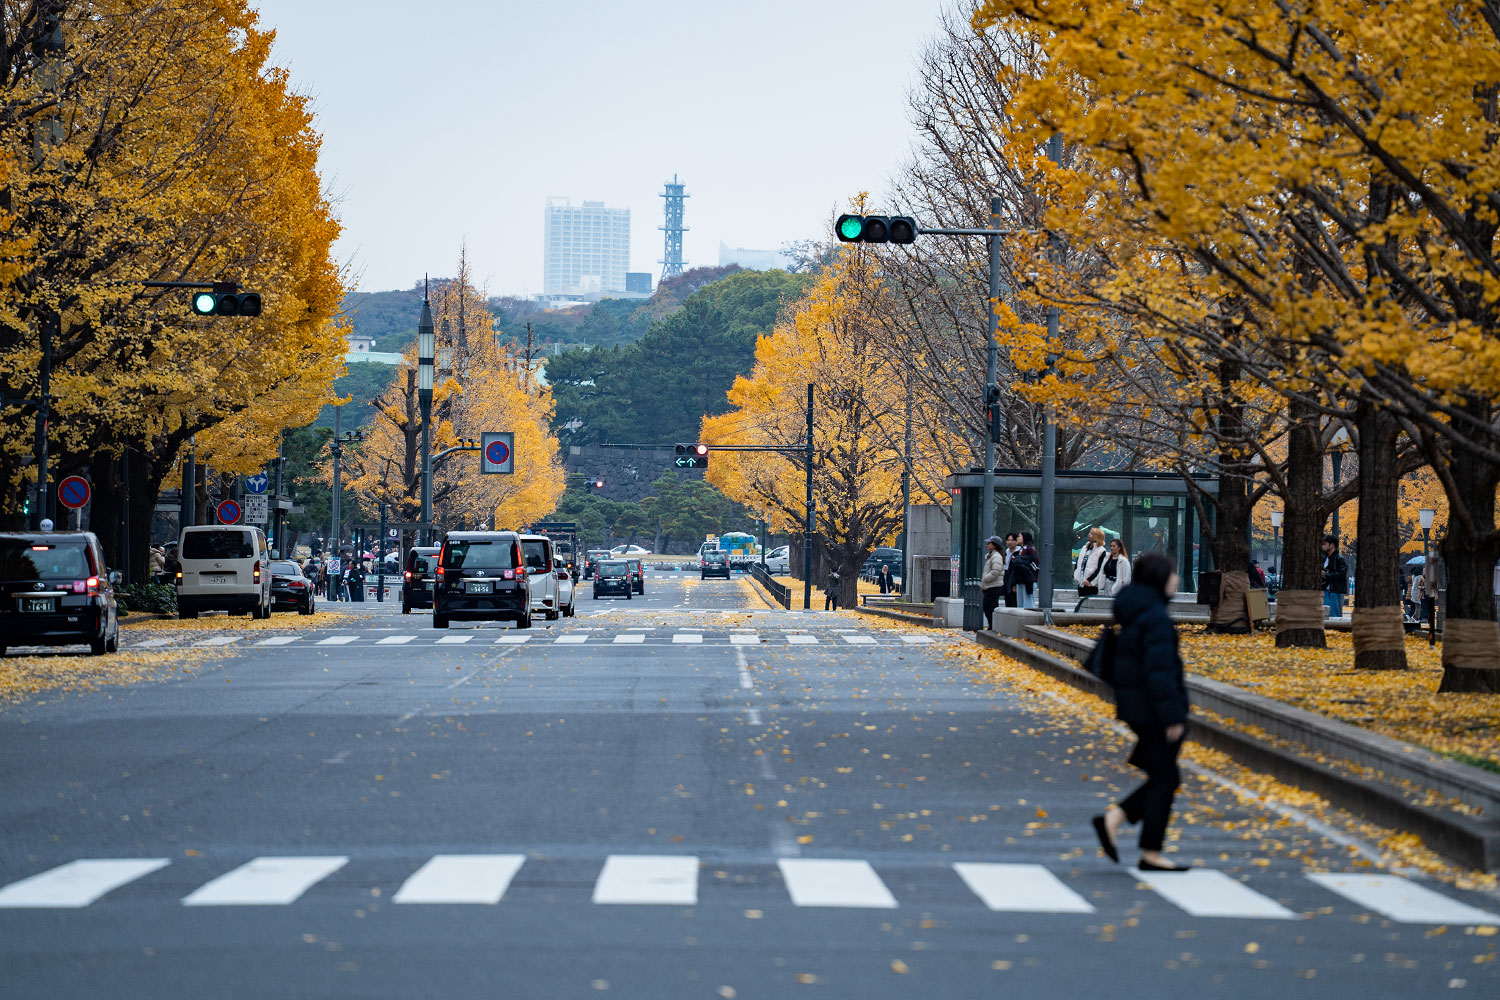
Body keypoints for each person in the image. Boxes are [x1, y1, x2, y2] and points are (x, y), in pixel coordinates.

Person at [1092, 552, 1191, 872]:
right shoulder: (1155, 618)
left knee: (1165, 777)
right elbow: (1159, 672)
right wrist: (1172, 716)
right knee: (1164, 778)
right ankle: (1148, 850)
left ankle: (1119, 822)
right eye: (1172, 573)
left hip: (1137, 706)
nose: (1176, 579)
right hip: (1152, 710)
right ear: (1160, 578)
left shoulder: (1138, 611)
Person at [1074, 527, 1108, 599]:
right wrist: (1076, 574)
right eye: (1089, 533)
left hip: (1091, 584)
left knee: (1089, 601)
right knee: (1081, 600)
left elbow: (1100, 568)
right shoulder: (1085, 547)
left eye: (1092, 534)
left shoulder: (1101, 550)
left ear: (1097, 537)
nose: (1089, 535)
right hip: (1081, 581)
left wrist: (1090, 580)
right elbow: (1079, 562)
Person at [980, 536, 1006, 630]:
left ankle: (993, 626)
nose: (987, 545)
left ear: (994, 545)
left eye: (989, 543)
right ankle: (991, 625)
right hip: (989, 586)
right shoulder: (990, 556)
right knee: (987, 607)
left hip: (994, 586)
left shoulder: (996, 556)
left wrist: (985, 579)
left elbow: (995, 571)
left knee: (990, 607)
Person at [1321, 534, 1349, 619]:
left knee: (1333, 614)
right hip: (1324, 589)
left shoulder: (1339, 559)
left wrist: (1326, 575)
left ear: (1332, 545)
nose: (1323, 546)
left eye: (1325, 544)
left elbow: (1341, 574)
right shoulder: (1324, 558)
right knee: (1324, 614)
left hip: (1333, 590)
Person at [1013, 532, 1039, 609]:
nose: (1017, 538)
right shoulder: (1021, 550)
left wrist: (1027, 571)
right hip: (1020, 580)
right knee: (1020, 604)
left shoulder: (1030, 549)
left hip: (1028, 581)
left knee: (1028, 603)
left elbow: (1035, 564)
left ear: (1025, 538)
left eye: (1019, 536)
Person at [1002, 533, 1020, 608]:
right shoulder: (1006, 552)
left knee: (1014, 601)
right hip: (1006, 576)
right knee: (1007, 599)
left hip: (1014, 578)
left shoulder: (1019, 552)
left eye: (1012, 540)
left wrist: (1015, 584)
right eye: (1008, 540)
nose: (1009, 542)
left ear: (1016, 541)